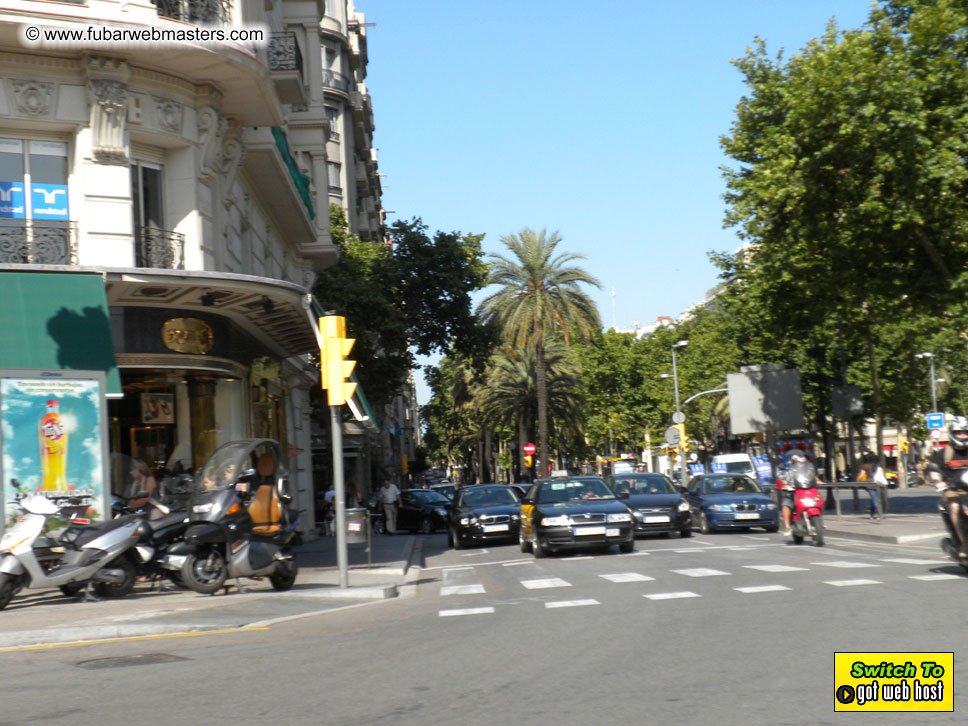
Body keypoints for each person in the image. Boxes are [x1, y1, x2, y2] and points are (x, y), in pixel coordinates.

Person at [926, 415, 968, 558]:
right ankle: (964, 544)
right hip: (954, 490)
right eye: (958, 432)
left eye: (965, 432)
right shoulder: (945, 453)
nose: (962, 435)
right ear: (952, 433)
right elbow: (933, 468)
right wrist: (937, 481)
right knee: (955, 507)